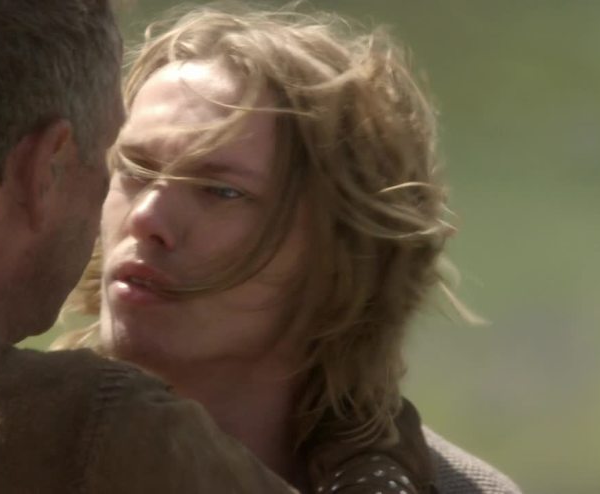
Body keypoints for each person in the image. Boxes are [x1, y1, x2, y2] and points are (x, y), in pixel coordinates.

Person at [56, 5, 521, 494]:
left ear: (339, 253)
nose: (146, 219)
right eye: (135, 170)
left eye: (221, 191)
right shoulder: (12, 454)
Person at [0, 1, 300, 492]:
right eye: (119, 163)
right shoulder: (87, 432)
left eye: (220, 191)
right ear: (43, 168)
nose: (144, 216)